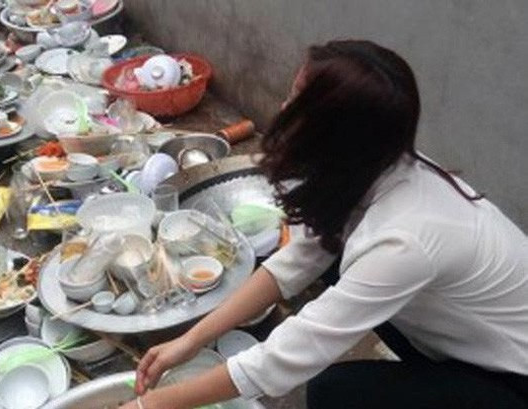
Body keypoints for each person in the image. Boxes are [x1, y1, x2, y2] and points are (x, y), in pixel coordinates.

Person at [119, 40, 528, 409]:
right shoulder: (372, 163)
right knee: (335, 260)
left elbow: (288, 356)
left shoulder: (405, 240)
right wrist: (191, 340)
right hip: (463, 336)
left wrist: (150, 406)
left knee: (335, 391)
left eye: (297, 102)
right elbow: (298, 258)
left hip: (511, 378)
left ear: (334, 133)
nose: (283, 109)